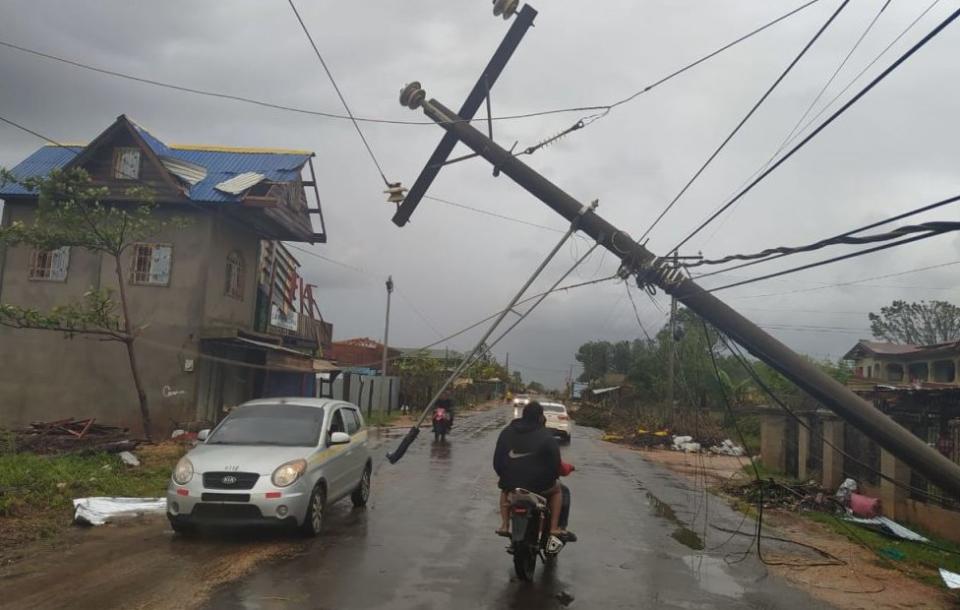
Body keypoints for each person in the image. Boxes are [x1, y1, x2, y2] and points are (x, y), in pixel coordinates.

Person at [493, 401, 573, 541]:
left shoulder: (507, 431)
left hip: (511, 484)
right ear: (541, 417)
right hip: (540, 486)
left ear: (523, 414)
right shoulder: (546, 435)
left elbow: (497, 461)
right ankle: (554, 528)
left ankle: (505, 525)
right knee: (558, 490)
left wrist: (504, 476)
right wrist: (551, 478)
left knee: (505, 490)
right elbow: (555, 463)